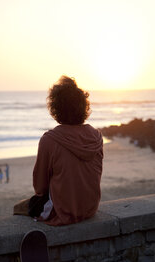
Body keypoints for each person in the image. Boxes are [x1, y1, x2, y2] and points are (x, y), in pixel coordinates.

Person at [32, 76, 103, 226]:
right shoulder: (96, 137)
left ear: (55, 108)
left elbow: (40, 187)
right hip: (90, 208)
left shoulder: (50, 140)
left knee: (22, 207)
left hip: (62, 211)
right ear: (83, 106)